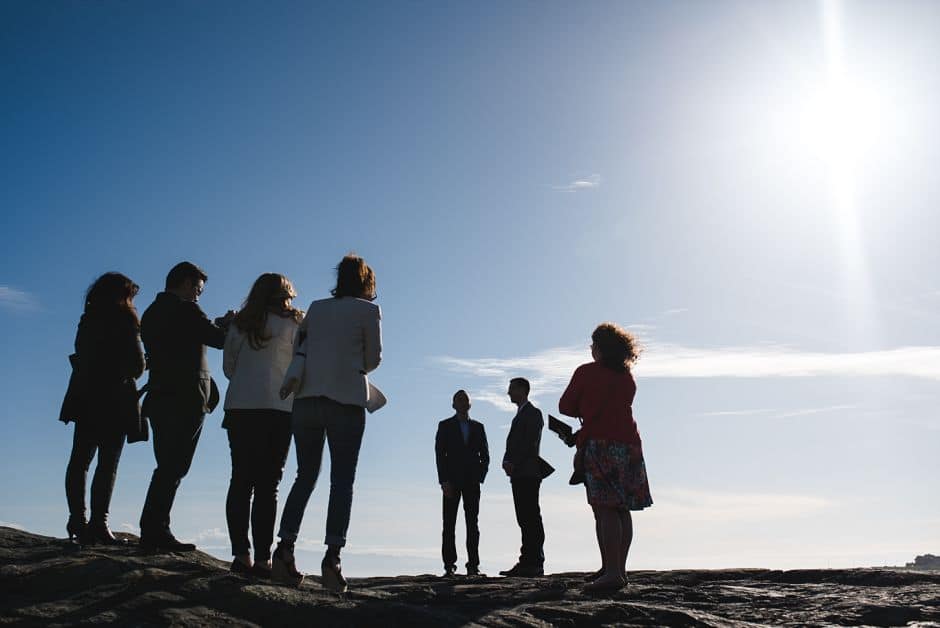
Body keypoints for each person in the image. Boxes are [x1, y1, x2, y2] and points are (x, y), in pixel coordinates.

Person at [272, 254, 382, 591]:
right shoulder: (368, 311)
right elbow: (373, 359)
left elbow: (300, 349)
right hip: (346, 401)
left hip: (306, 400)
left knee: (304, 475)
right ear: (366, 282)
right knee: (342, 481)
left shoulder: (317, 308)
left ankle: (285, 549)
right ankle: (332, 559)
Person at [138, 261, 234, 552]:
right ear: (185, 283)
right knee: (175, 465)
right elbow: (217, 340)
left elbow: (191, 335)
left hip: (159, 395)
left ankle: (152, 528)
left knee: (166, 464)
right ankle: (157, 530)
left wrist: (215, 323)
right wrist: (230, 325)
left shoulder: (152, 312)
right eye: (197, 289)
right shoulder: (186, 309)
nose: (198, 296)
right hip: (186, 398)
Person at [558, 322, 652, 592]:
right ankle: (617, 568)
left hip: (600, 444)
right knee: (621, 508)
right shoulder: (626, 375)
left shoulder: (587, 372)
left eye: (593, 344)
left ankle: (611, 572)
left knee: (604, 508)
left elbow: (565, 405)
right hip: (630, 443)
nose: (590, 349)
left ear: (599, 348)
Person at [221, 273, 303, 577]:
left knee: (240, 480)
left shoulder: (241, 323)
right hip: (279, 409)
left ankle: (240, 555)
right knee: (269, 485)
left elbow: (229, 367)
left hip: (241, 406)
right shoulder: (295, 324)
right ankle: (263, 559)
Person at [60, 273, 146, 545]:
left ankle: (77, 520)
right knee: (107, 464)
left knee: (80, 460)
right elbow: (137, 366)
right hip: (115, 399)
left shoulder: (88, 319)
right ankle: (99, 523)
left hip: (86, 395)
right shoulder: (126, 320)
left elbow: (81, 353)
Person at [435, 390, 490, 577]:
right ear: (453, 404)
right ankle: (449, 565)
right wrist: (444, 481)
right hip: (451, 481)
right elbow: (440, 456)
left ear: (470, 404)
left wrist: (480, 476)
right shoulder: (445, 426)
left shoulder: (478, 427)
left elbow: (485, 455)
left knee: (472, 524)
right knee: (449, 524)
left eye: (465, 400)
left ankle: (473, 565)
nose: (462, 402)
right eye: (458, 400)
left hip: (472, 482)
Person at [499, 377, 550, 577]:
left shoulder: (533, 413)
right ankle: (527, 560)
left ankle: (534, 561)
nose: (509, 393)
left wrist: (513, 462)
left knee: (530, 516)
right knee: (524, 516)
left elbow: (530, 442)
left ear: (522, 389)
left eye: (511, 389)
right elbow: (514, 444)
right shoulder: (520, 415)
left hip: (528, 472)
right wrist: (506, 461)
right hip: (520, 473)